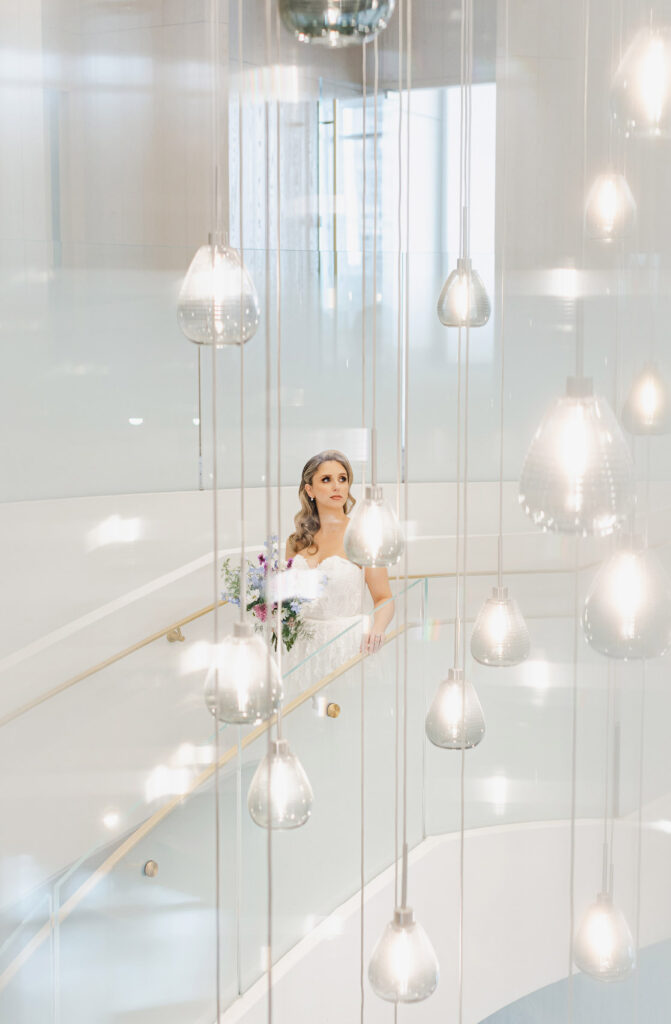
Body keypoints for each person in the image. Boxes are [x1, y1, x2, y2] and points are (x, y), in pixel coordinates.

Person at [282, 450, 394, 697]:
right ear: (309, 490)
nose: (337, 486)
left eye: (342, 479)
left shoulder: (362, 536)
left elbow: (384, 597)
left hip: (347, 645)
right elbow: (287, 601)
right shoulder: (296, 541)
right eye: (326, 479)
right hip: (300, 649)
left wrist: (378, 628)